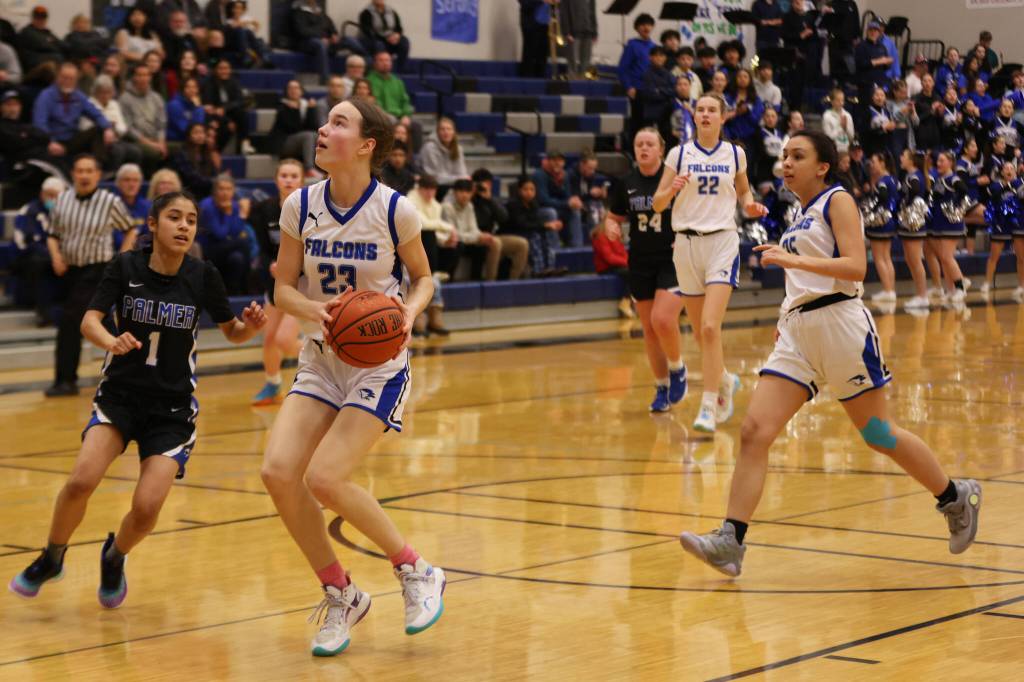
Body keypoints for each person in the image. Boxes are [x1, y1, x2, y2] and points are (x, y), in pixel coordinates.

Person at [677, 129, 982, 578]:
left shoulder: (838, 200)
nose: (786, 162)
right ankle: (731, 540)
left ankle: (955, 495)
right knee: (753, 431)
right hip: (798, 329)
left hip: (841, 325)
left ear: (823, 165)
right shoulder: (799, 213)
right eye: (783, 155)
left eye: (797, 155)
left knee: (878, 434)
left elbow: (856, 267)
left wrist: (794, 261)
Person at [8, 191, 267, 607]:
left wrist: (250, 328)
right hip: (120, 398)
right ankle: (52, 556)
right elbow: (90, 320)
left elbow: (233, 331)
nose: (184, 226)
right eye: (174, 218)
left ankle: (115, 556)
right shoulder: (125, 266)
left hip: (172, 409)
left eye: (191, 220)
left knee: (146, 510)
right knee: (80, 481)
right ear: (152, 225)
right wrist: (112, 339)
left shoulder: (202, 275)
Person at [260, 98, 446, 657]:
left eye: (338, 122)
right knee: (277, 472)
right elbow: (283, 289)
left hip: (377, 362)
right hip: (321, 355)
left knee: (325, 477)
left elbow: (424, 280)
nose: (323, 127)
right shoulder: (300, 205)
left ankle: (416, 570)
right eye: (326, 120)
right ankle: (341, 592)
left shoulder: (396, 211)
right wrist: (313, 311)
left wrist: (408, 314)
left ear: (366, 145)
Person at [653, 93, 768, 433]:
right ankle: (727, 380)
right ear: (694, 116)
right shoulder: (678, 154)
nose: (705, 114)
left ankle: (709, 404)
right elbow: (658, 205)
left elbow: (744, 192)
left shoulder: (735, 153)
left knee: (708, 327)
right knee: (703, 335)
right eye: (700, 109)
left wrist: (750, 206)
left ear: (722, 117)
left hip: (721, 241)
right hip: (686, 245)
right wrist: (670, 190)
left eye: (711, 110)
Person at [606, 127, 687, 412]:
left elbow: (692, 212)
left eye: (649, 144)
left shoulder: (674, 180)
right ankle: (661, 388)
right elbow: (613, 215)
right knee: (650, 330)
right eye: (639, 144)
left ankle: (678, 369)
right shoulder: (626, 182)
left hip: (673, 259)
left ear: (661, 150)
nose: (643, 148)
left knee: (663, 319)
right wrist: (611, 225)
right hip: (640, 259)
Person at [44, 155, 137, 397]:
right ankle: (129, 374)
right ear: (73, 174)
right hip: (71, 272)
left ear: (97, 175)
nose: (84, 175)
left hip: (98, 270)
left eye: (89, 171)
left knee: (70, 322)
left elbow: (130, 229)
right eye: (80, 171)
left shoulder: (109, 201)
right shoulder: (62, 199)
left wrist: (120, 260)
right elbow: (53, 234)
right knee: (104, 324)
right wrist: (56, 256)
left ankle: (65, 381)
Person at [250, 159, 305, 405]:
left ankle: (334, 363)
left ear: (302, 180)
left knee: (285, 339)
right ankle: (273, 386)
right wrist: (270, 265)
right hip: (275, 284)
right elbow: (260, 249)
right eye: (284, 175)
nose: (289, 180)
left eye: (294, 175)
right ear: (276, 180)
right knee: (270, 338)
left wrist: (291, 267)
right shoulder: (264, 209)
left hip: (302, 285)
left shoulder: (309, 209)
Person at [33, 62, 118, 171]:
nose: (67, 82)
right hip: (53, 139)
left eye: (71, 79)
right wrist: (51, 141)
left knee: (99, 130)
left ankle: (97, 169)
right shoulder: (45, 96)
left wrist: (107, 128)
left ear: (76, 80)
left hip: (72, 139)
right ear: (57, 77)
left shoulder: (78, 96)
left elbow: (96, 113)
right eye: (64, 78)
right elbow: (40, 124)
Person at [13, 176, 65, 326]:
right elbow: (25, 242)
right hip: (27, 258)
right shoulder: (29, 210)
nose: (52, 199)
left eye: (56, 195)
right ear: (42, 193)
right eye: (49, 194)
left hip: (57, 257)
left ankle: (71, 314)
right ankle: (44, 313)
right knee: (39, 262)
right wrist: (54, 256)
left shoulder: (66, 212)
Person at [408, 175, 454, 334]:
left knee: (433, 280)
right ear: (419, 189)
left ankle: (434, 316)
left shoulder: (436, 205)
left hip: (427, 247)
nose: (429, 193)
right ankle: (418, 317)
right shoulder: (409, 200)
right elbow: (423, 225)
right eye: (426, 189)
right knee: (420, 281)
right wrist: (448, 228)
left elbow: (434, 231)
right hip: (408, 250)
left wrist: (445, 240)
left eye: (432, 189)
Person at [198, 174, 252, 294]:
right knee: (243, 244)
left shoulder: (234, 205)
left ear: (233, 191)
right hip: (207, 250)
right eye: (221, 188)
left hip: (226, 249)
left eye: (228, 189)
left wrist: (240, 215)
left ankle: (234, 293)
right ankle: (247, 288)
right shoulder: (207, 206)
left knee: (237, 258)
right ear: (215, 191)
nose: (225, 193)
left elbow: (235, 232)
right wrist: (229, 213)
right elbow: (220, 234)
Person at [471, 168, 529, 280]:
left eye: (487, 184)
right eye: (481, 184)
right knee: (495, 243)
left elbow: (504, 217)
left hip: (492, 235)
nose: (484, 187)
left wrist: (489, 200)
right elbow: (478, 221)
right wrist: (473, 195)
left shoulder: (491, 200)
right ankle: (490, 283)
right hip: (475, 236)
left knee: (522, 243)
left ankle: (512, 281)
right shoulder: (468, 199)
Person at [928, 151, 970, 304]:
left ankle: (961, 287)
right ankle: (951, 289)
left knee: (946, 257)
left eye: (941, 160)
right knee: (944, 259)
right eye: (938, 161)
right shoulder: (939, 179)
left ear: (950, 163)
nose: (938, 163)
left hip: (950, 223)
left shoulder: (954, 178)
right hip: (939, 223)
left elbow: (964, 191)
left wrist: (955, 206)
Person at [443, 178, 502, 281]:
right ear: (454, 193)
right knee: (457, 245)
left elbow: (474, 229)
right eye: (461, 191)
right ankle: (449, 281)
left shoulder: (469, 206)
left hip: (467, 241)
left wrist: (480, 236)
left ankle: (476, 280)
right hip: (451, 242)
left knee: (482, 248)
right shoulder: (447, 207)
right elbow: (454, 234)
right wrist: (478, 237)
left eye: (468, 192)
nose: (465, 195)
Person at [897, 149, 932, 310]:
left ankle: (922, 296)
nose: (901, 158)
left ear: (911, 161)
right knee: (910, 259)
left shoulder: (915, 177)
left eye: (903, 156)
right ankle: (920, 295)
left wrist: (909, 202)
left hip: (914, 222)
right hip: (908, 222)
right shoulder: (911, 175)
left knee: (915, 260)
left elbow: (917, 191)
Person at [506, 176, 562, 276]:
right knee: (535, 237)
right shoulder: (513, 204)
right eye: (525, 189)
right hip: (514, 232)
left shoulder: (533, 204)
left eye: (532, 189)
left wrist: (549, 226)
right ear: (519, 190)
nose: (529, 192)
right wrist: (544, 225)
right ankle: (538, 270)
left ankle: (550, 268)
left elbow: (536, 223)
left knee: (544, 235)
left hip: (528, 231)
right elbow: (521, 224)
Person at [119, 63, 168, 175]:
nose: (143, 78)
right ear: (134, 77)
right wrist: (151, 144)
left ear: (150, 77)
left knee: (179, 150)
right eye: (140, 75)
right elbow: (128, 128)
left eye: (146, 75)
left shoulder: (156, 98)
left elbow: (161, 123)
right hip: (136, 141)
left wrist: (161, 142)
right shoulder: (125, 99)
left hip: (156, 139)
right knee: (154, 152)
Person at [864, 152, 899, 304]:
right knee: (886, 257)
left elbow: (883, 196)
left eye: (874, 161)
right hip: (889, 221)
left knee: (879, 258)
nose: (872, 165)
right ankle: (890, 290)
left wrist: (873, 207)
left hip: (880, 222)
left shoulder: (883, 181)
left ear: (883, 163)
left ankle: (888, 291)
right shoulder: (892, 178)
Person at [202, 59, 252, 153]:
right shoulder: (209, 83)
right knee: (226, 127)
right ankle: (216, 151)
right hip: (215, 115)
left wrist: (225, 108)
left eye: (226, 68)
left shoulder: (234, 81)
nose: (224, 71)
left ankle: (244, 143)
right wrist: (228, 121)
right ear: (216, 70)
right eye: (221, 68)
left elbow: (240, 100)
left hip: (229, 111)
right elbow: (209, 106)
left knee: (242, 113)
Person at [617, 13, 656, 136]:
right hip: (637, 90)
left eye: (649, 25)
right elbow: (623, 69)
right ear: (637, 28)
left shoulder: (654, 47)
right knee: (637, 123)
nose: (646, 28)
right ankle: (634, 151)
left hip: (651, 91)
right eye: (643, 25)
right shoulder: (632, 45)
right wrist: (629, 87)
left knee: (650, 123)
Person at [271, 79, 320, 174]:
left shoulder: (306, 105)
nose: (293, 90)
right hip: (284, 142)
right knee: (309, 135)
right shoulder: (282, 106)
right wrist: (294, 111)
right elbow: (293, 128)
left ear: (301, 91)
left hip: (301, 140)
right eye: (290, 88)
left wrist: (311, 110)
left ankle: (321, 167)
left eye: (296, 88)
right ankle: (309, 168)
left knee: (315, 135)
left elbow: (314, 127)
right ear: (286, 91)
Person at [591, 217, 632, 318]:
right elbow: (609, 258)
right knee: (632, 273)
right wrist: (627, 263)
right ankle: (625, 302)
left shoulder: (615, 236)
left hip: (617, 266)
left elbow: (623, 254)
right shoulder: (601, 237)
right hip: (606, 268)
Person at [418, 117, 468, 197]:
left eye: (449, 129)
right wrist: (458, 179)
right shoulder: (429, 148)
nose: (446, 132)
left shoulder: (458, 148)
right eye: (442, 129)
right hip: (433, 186)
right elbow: (435, 178)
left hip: (451, 184)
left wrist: (462, 179)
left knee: (468, 188)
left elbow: (462, 172)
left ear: (454, 132)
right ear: (437, 132)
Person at [171, 122, 222, 198]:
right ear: (189, 135)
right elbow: (193, 179)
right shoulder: (181, 154)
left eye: (202, 132)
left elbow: (214, 173)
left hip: (206, 190)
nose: (200, 136)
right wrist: (215, 181)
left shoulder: (206, 153)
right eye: (196, 132)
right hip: (188, 192)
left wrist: (218, 180)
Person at [15, 6, 63, 86]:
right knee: (50, 67)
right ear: (33, 18)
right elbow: (41, 44)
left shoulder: (48, 33)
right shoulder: (26, 32)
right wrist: (52, 44)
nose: (40, 20)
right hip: (33, 68)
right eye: (38, 18)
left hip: (53, 62)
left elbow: (62, 46)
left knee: (71, 68)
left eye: (43, 18)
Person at [366, 51, 413, 130]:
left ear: (391, 63)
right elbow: (370, 103)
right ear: (375, 64)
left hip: (399, 117)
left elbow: (405, 101)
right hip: (379, 118)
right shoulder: (368, 81)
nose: (385, 63)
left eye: (387, 60)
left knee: (416, 126)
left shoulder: (398, 82)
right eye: (381, 60)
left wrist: (406, 116)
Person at [358, 1, 409, 72]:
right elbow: (367, 31)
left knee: (404, 41)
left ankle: (401, 68)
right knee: (379, 44)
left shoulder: (392, 12)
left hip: (392, 38)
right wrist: (386, 38)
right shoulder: (366, 13)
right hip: (375, 39)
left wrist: (396, 35)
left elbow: (398, 27)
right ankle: (382, 69)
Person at [113, 163, 152, 252]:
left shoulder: (148, 206)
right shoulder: (110, 205)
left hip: (140, 254)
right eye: (127, 180)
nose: (131, 184)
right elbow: (113, 239)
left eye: (135, 180)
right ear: (118, 183)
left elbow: (149, 237)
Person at [640, 46, 675, 142]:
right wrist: (665, 92)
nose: (659, 58)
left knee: (666, 140)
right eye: (656, 56)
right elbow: (649, 94)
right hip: (651, 114)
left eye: (661, 55)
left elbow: (673, 91)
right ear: (650, 58)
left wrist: (659, 90)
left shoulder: (669, 74)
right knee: (651, 140)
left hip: (666, 114)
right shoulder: (647, 74)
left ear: (665, 58)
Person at [560, 0, 597, 78]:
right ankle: (573, 82)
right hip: (574, 33)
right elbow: (564, 13)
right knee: (572, 61)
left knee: (586, 61)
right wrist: (566, 32)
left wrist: (595, 32)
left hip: (588, 31)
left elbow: (593, 13)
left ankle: (583, 81)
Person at [166, 76, 206, 142]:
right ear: (182, 89)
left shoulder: (195, 104)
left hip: (192, 139)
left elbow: (200, 126)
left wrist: (198, 107)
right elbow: (185, 130)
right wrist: (198, 108)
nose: (192, 90)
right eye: (188, 87)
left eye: (194, 87)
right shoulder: (174, 105)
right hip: (177, 141)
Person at [518, 0, 550, 79]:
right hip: (530, 22)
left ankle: (541, 79)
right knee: (530, 52)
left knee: (543, 53)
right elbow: (524, 3)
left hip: (544, 22)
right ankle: (528, 80)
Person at [823, 88, 856, 154]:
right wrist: (840, 127)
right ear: (832, 102)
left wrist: (845, 128)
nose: (841, 103)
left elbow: (851, 136)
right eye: (838, 100)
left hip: (845, 150)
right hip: (833, 151)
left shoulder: (847, 115)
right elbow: (828, 138)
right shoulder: (827, 115)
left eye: (842, 100)